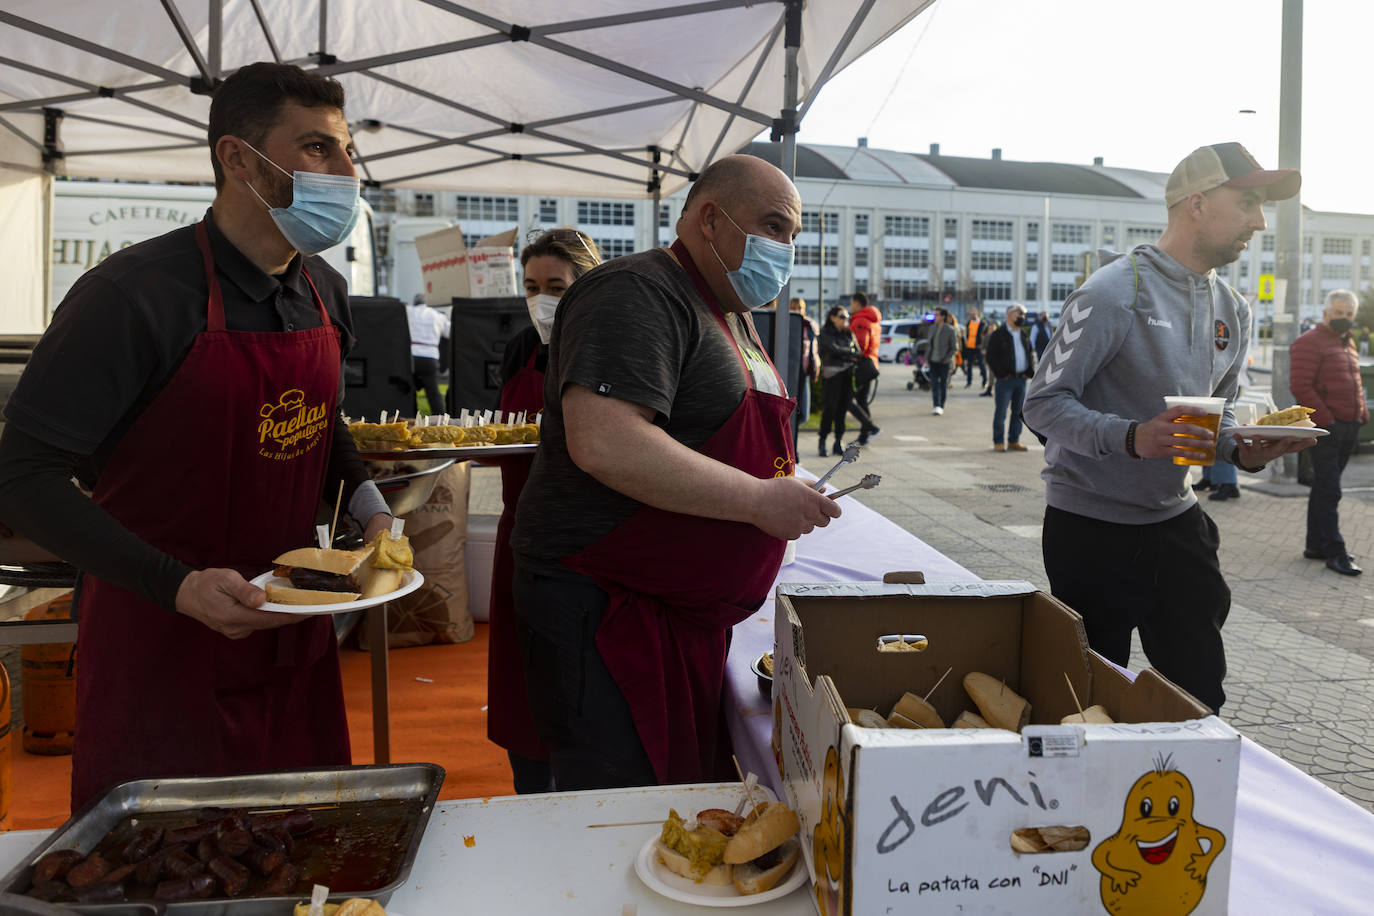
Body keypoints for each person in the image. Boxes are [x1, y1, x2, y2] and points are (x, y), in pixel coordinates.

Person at [0, 62, 394, 808]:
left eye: (349, 152)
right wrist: (178, 586)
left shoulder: (324, 291)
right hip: (160, 637)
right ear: (238, 159)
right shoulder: (133, 295)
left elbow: (318, 424)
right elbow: (23, 475)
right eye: (316, 149)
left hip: (291, 626)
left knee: (298, 843)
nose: (346, 172)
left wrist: (370, 507)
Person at [508, 154, 840, 791]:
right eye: (773, 227)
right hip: (606, 608)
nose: (785, 249)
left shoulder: (729, 311)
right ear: (710, 220)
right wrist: (755, 500)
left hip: (679, 610)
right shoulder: (635, 291)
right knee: (617, 808)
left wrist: (779, 488)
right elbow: (606, 440)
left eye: (793, 236)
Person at [1023, 141, 1312, 714]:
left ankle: (1186, 796)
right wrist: (1132, 436)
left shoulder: (1233, 306)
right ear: (1197, 204)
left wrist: (1243, 448)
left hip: (1176, 527)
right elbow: (1042, 404)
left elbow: (1218, 413)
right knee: (1089, 702)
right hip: (1090, 528)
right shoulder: (1111, 293)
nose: (1259, 220)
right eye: (1249, 202)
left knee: (1200, 694)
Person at [486, 229, 603, 795]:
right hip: (516, 536)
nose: (542, 300)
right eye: (531, 286)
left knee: (575, 696)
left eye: (556, 286)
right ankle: (528, 795)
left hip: (582, 548)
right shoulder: (519, 350)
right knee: (520, 689)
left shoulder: (608, 349)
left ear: (588, 285)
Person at [1291, 288, 1368, 576]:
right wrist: (1328, 421)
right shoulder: (1308, 342)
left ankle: (1315, 545)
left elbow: (1354, 380)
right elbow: (1301, 386)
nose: (1344, 318)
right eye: (1339, 313)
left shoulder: (1347, 342)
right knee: (1331, 489)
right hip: (1326, 429)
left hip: (1349, 426)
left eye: (1349, 314)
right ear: (1326, 313)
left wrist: (1362, 412)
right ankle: (1335, 551)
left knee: (1323, 487)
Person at [986, 303, 1035, 452]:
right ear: (1009, 315)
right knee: (1001, 411)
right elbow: (990, 357)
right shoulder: (999, 334)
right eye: (1019, 314)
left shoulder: (1023, 334)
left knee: (1019, 413)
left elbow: (1029, 354)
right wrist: (1001, 374)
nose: (1022, 317)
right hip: (1005, 380)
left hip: (1021, 380)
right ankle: (998, 441)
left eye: (1023, 315)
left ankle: (1014, 440)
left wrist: (1029, 372)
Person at [818, 305, 862, 455]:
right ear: (833, 317)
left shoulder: (848, 333)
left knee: (843, 409)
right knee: (830, 409)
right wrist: (848, 352)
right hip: (832, 375)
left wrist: (846, 353)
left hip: (848, 375)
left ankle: (838, 441)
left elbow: (857, 352)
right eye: (842, 317)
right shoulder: (825, 333)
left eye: (847, 317)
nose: (846, 320)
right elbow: (832, 350)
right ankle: (822, 441)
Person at [407, 292, 451, 415]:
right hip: (430, 357)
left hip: (411, 356)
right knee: (433, 392)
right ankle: (440, 420)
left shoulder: (408, 311)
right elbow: (449, 333)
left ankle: (409, 417)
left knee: (408, 390)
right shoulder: (437, 315)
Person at [846, 292, 882, 444]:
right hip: (871, 363)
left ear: (858, 303)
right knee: (862, 400)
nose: (850, 305)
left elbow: (860, 346)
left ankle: (870, 427)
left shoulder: (860, 320)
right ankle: (864, 436)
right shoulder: (873, 321)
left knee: (846, 399)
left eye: (851, 302)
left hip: (862, 364)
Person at [789, 297, 821, 427]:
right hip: (790, 371)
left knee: (804, 414)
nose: (797, 310)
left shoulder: (809, 325)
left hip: (805, 370)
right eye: (794, 308)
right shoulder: (786, 324)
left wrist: (817, 365)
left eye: (799, 308)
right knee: (791, 413)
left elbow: (815, 350)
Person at [927, 307, 957, 415]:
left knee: (943, 384)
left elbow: (954, 347)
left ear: (943, 317)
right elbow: (929, 345)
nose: (935, 317)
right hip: (933, 361)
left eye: (937, 315)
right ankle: (936, 405)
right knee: (934, 385)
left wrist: (947, 358)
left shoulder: (949, 329)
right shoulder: (932, 328)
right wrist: (927, 359)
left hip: (944, 362)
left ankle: (941, 405)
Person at [961, 306, 989, 389]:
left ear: (977, 314)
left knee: (981, 364)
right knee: (969, 366)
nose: (971, 315)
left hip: (978, 347)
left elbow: (985, 335)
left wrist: (982, 344)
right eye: (970, 314)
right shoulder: (969, 323)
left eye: (973, 313)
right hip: (969, 346)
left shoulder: (982, 324)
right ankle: (969, 382)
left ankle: (984, 382)